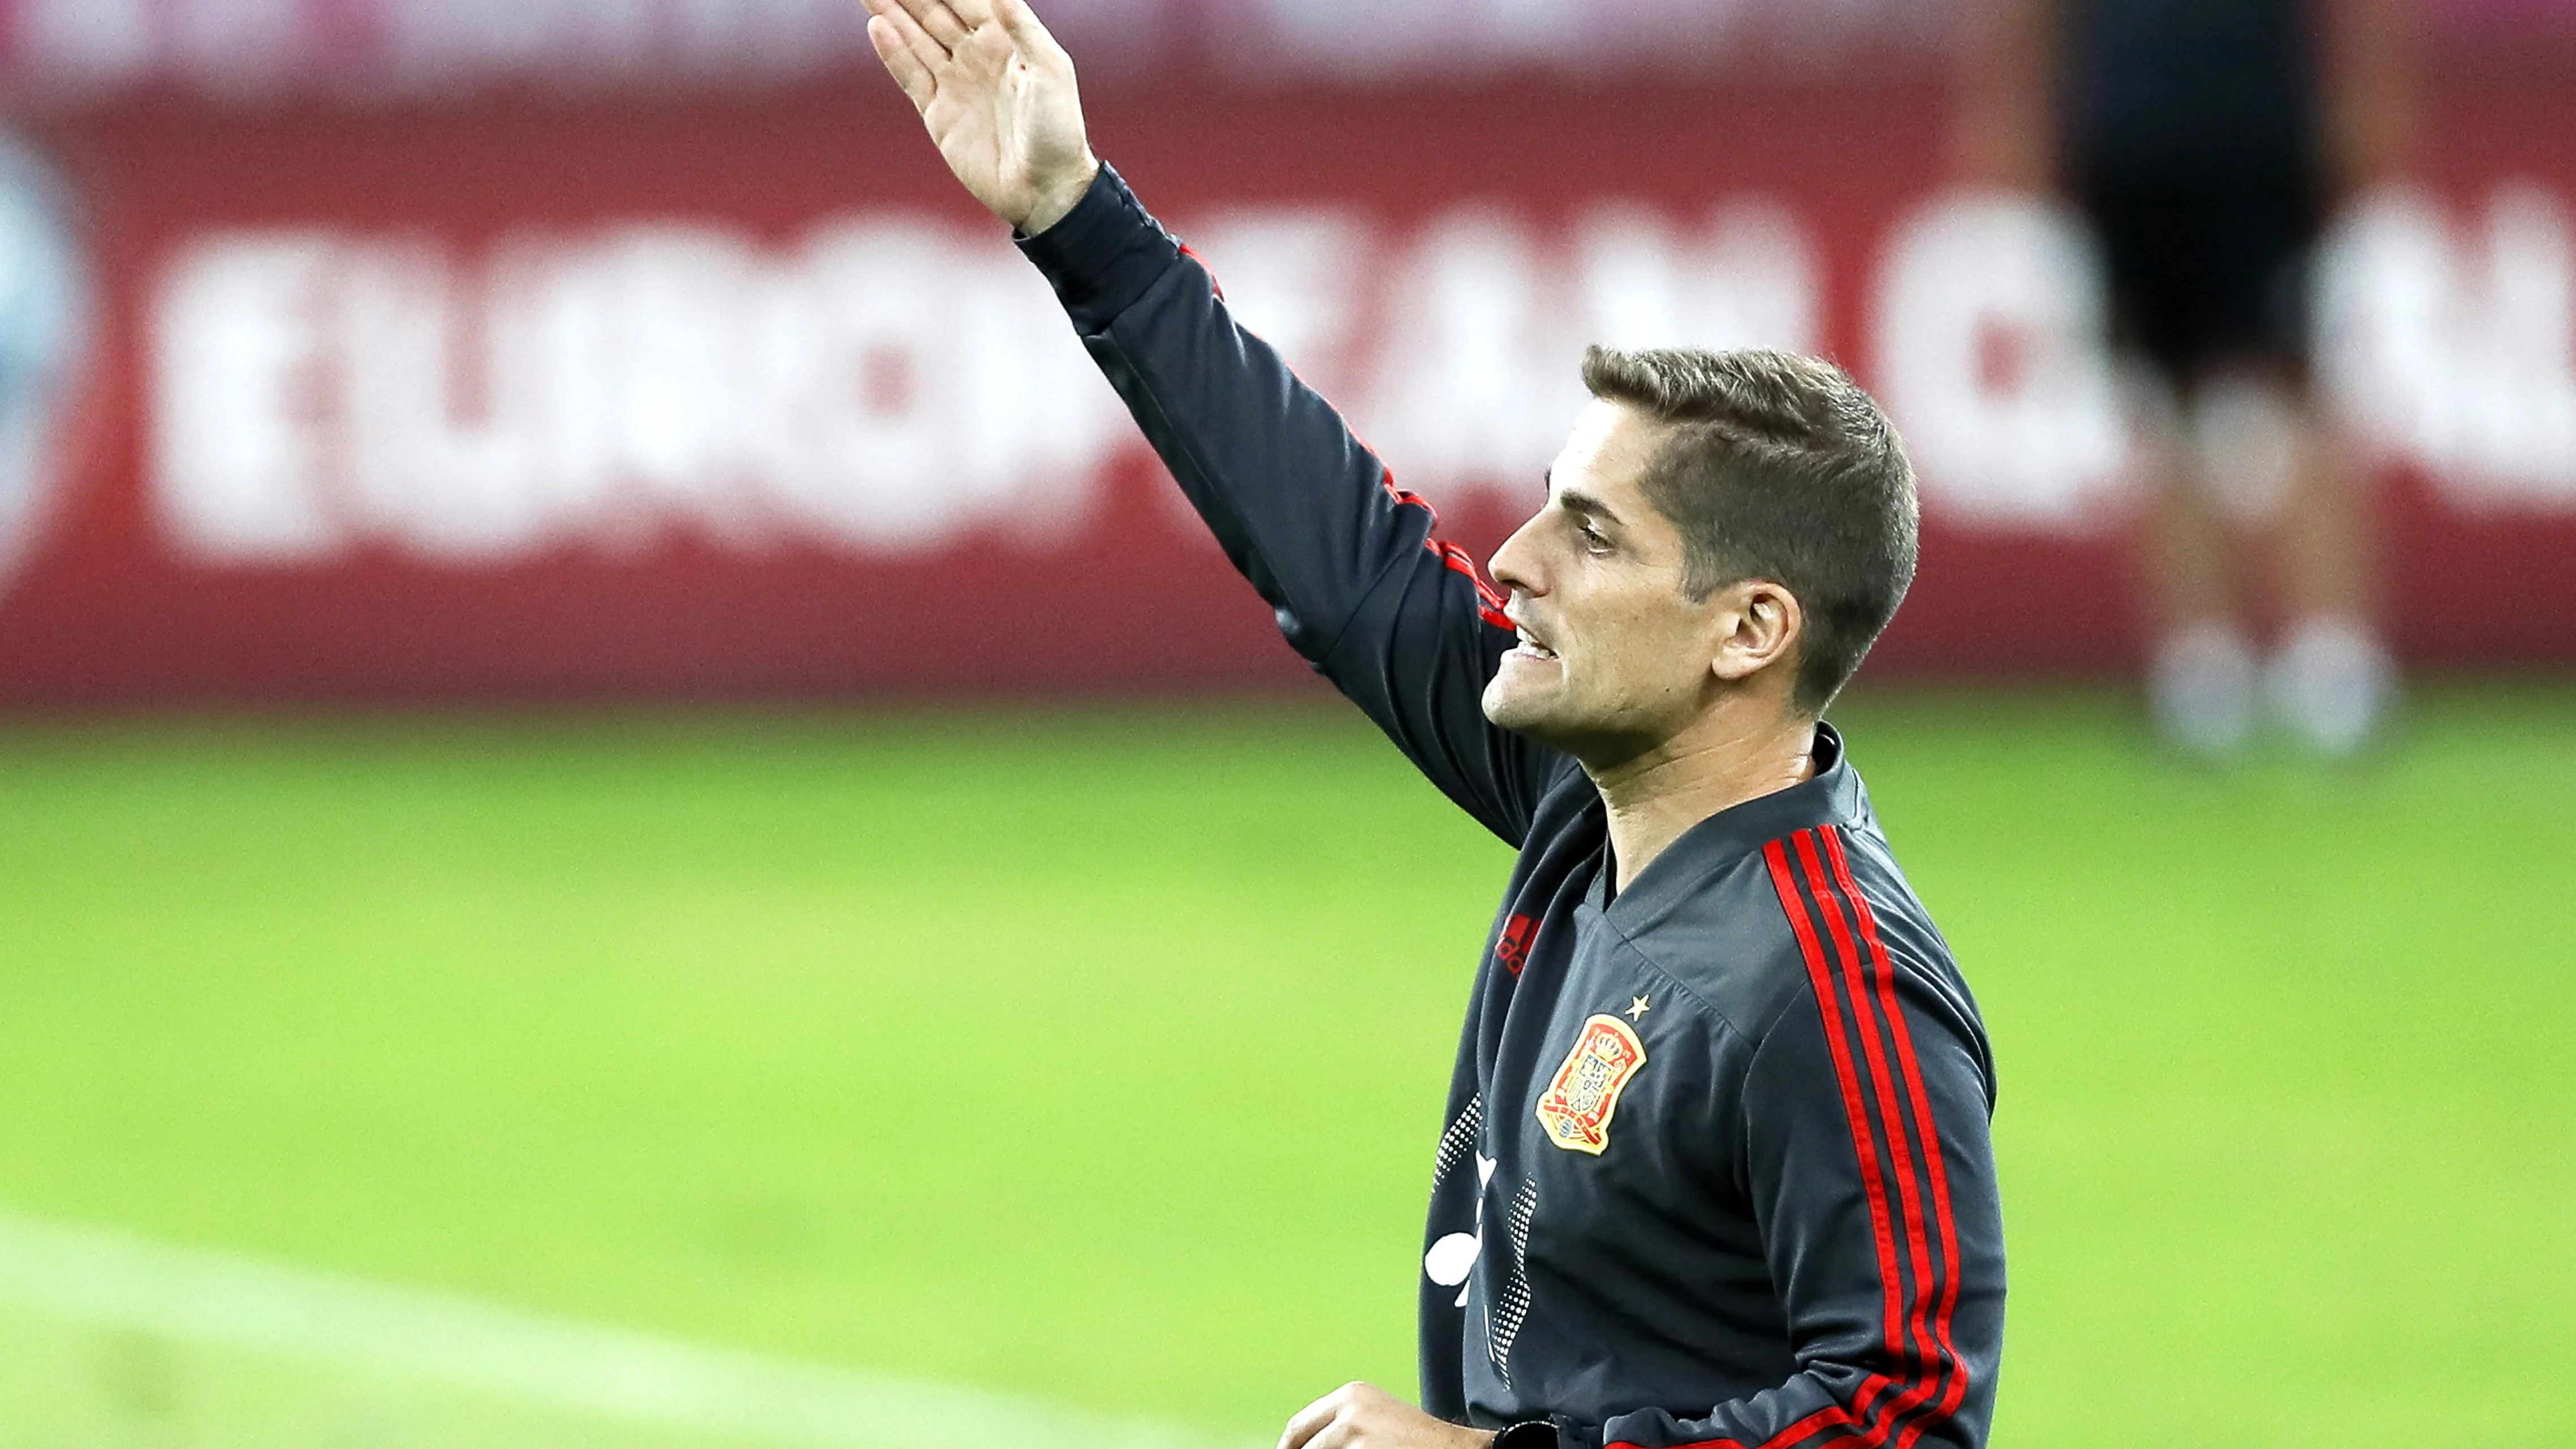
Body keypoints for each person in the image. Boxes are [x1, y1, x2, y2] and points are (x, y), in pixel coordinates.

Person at [856, 2, 2006, 1445]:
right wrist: (1077, 216)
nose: (1514, 559)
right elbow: (1349, 568)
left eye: (1591, 536)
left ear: (1750, 632)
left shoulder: (1834, 990)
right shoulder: (1591, 810)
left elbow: (1901, 1423)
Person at [1956, 0, 2417, 758]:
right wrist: (2011, 109)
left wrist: (2367, 99)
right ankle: (2203, 672)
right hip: (2131, 131)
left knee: (2295, 387)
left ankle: (2332, 664)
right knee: (2163, 402)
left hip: (2259, 124)